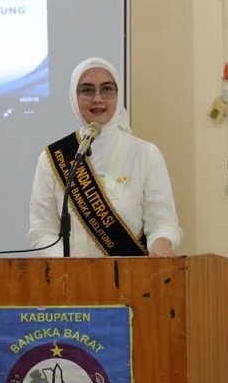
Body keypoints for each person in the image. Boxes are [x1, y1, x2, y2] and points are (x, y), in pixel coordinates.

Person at [28, 57, 182, 257]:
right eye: (87, 90)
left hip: (133, 275)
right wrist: (68, 268)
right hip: (71, 276)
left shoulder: (146, 154)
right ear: (74, 96)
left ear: (118, 95)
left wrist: (162, 244)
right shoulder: (53, 158)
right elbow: (42, 230)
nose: (98, 99)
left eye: (107, 89)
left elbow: (163, 224)